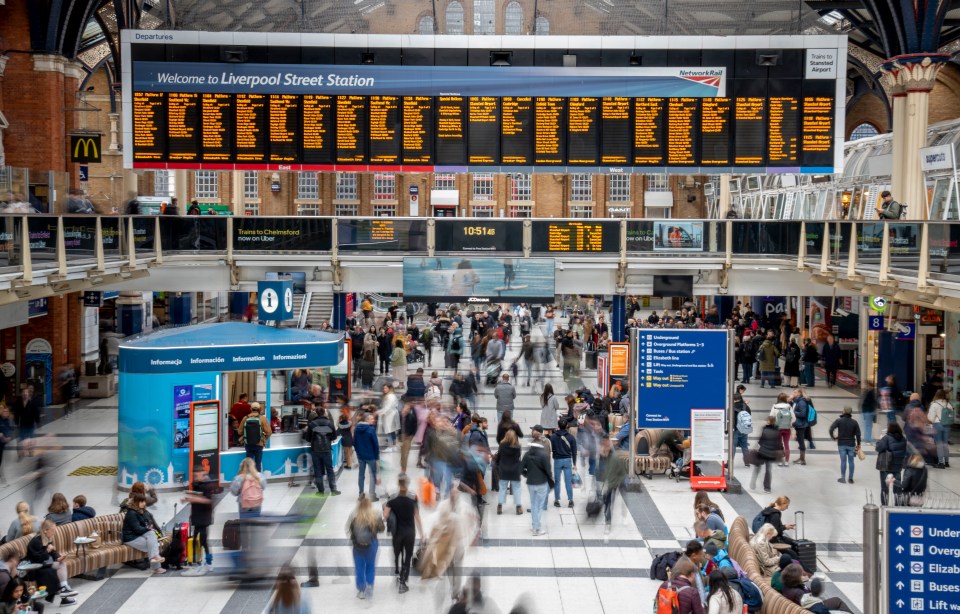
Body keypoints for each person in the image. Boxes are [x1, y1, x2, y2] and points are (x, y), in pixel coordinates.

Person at [383, 474, 423, 594]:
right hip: (410, 532)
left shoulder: (392, 498)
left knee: (397, 554)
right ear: (407, 484)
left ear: (398, 484)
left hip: (397, 533)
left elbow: (385, 516)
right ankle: (402, 581)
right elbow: (417, 516)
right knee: (408, 557)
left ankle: (396, 570)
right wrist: (422, 534)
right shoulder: (413, 498)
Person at [26, 519, 79, 607]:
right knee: (53, 571)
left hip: (43, 564)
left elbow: (53, 552)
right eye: (53, 530)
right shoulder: (36, 541)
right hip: (34, 568)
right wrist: (47, 550)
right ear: (45, 530)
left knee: (61, 564)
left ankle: (64, 588)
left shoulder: (46, 538)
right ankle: (64, 594)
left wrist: (58, 558)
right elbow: (38, 559)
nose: (54, 533)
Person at [347, 495, 385, 600]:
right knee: (370, 565)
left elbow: (350, 531)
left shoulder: (354, 515)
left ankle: (361, 590)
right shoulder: (375, 514)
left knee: (359, 568)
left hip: (358, 546)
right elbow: (382, 529)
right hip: (372, 544)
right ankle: (369, 585)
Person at [181, 467, 215, 575]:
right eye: (194, 476)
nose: (195, 477)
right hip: (197, 517)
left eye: (197, 475)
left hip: (203, 518)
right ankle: (201, 563)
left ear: (203, 474)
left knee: (202, 541)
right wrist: (188, 499)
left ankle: (206, 563)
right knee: (197, 541)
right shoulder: (197, 485)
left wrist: (195, 499)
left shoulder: (207, 486)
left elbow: (208, 501)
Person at [521, 425, 553, 536]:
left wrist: (527, 474)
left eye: (533, 430)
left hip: (531, 481)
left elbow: (521, 468)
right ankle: (536, 528)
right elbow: (547, 463)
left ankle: (535, 525)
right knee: (537, 506)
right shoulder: (543, 446)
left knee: (534, 505)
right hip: (541, 479)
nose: (531, 432)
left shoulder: (531, 450)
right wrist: (549, 476)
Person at [876, 422, 908, 505]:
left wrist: (880, 439)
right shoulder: (903, 439)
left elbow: (878, 448)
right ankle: (898, 506)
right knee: (897, 489)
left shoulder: (886, 438)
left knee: (884, 489)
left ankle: (885, 506)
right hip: (897, 467)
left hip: (886, 466)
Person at [750, 415, 783, 494]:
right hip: (771, 453)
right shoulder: (777, 431)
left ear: (768, 421)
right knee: (768, 470)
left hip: (762, 452)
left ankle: (753, 483)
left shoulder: (764, 429)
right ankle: (767, 488)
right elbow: (779, 443)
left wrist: (755, 447)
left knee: (757, 467)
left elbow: (760, 441)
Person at [829, 406, 862, 484]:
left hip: (841, 444)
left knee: (843, 461)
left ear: (843, 411)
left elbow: (831, 429)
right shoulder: (854, 422)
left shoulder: (839, 420)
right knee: (851, 461)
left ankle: (843, 478)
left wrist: (833, 437)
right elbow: (858, 434)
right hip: (851, 444)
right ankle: (850, 478)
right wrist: (859, 444)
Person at [550, 419, 577, 508]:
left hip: (557, 460)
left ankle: (557, 500)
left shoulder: (553, 437)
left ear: (558, 425)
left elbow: (553, 448)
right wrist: (574, 463)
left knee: (557, 481)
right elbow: (574, 451)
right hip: (567, 460)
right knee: (568, 481)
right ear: (566, 426)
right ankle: (570, 500)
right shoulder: (571, 437)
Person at [495, 429, 523, 516]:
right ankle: (518, 507)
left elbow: (499, 456)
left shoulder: (502, 446)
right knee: (517, 489)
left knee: (502, 488)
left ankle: (500, 506)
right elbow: (518, 457)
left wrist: (497, 464)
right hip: (515, 470)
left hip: (504, 469)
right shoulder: (518, 447)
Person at [354, 413, 381, 501]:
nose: (373, 420)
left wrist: (358, 453)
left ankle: (361, 494)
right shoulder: (371, 429)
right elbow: (375, 444)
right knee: (372, 475)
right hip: (371, 456)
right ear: (366, 420)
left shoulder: (356, 429)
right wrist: (377, 457)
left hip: (360, 456)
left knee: (361, 474)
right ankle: (372, 495)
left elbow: (354, 442)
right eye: (371, 419)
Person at [242, 402, 272, 472]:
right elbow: (269, 432)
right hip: (259, 444)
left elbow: (240, 431)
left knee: (249, 464)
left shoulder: (245, 418)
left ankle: (249, 479)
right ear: (260, 409)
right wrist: (263, 439)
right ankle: (257, 479)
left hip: (248, 444)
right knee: (258, 464)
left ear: (250, 409)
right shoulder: (262, 419)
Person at [928, 389, 953, 468]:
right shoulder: (948, 404)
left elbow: (931, 417)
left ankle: (941, 462)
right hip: (947, 425)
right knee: (945, 443)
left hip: (938, 424)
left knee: (939, 444)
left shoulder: (934, 404)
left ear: (936, 395)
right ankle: (946, 461)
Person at [790, 388, 810, 465]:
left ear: (799, 393)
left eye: (795, 392)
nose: (793, 393)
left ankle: (802, 459)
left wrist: (792, 412)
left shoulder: (802, 402)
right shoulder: (796, 401)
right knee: (799, 440)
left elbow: (802, 414)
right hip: (797, 424)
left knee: (801, 441)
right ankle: (801, 458)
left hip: (801, 425)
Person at [732, 386, 751, 466]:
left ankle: (729, 462)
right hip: (745, 429)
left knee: (733, 446)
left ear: (734, 400)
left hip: (736, 429)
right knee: (744, 446)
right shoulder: (746, 407)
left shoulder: (732, 407)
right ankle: (747, 462)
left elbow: (730, 419)